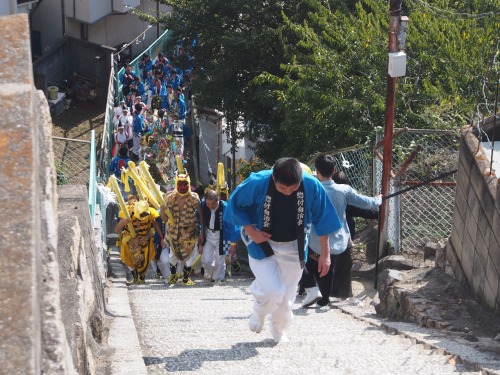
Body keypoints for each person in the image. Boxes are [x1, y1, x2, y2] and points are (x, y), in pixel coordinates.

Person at [224, 157, 342, 342]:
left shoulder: (311, 185)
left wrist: (325, 255)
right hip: (261, 244)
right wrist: (250, 230)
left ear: (300, 179)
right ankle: (259, 310)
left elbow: (323, 218)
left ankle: (278, 327)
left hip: (294, 246)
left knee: (287, 294)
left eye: (293, 188)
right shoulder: (258, 182)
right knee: (272, 290)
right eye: (282, 188)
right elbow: (234, 204)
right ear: (273, 178)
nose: (288, 192)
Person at [306, 154, 382, 306]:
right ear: (334, 170)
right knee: (330, 266)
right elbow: (365, 203)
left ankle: (317, 292)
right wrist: (378, 199)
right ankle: (325, 297)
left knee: (313, 264)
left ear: (316, 171)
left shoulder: (312, 189)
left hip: (315, 239)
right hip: (339, 239)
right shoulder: (344, 190)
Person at [160, 173, 204, 286]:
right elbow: (165, 220)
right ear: (176, 184)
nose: (183, 187)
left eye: (185, 184)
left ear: (189, 184)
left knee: (190, 256)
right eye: (180, 184)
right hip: (174, 231)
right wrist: (162, 209)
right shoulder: (169, 197)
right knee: (172, 256)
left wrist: (202, 233)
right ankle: (173, 275)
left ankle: (185, 278)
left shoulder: (194, 198)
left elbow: (201, 217)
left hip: (190, 231)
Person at [114, 200, 165, 284]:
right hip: (130, 241)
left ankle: (142, 278)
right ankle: (134, 277)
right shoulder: (127, 213)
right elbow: (116, 230)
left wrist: (161, 237)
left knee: (144, 260)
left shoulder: (150, 214)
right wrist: (123, 222)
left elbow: (155, 224)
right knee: (130, 260)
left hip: (145, 240)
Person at [199, 189, 240, 282]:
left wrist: (233, 243)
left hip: (223, 237)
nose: (210, 207)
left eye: (213, 204)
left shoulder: (226, 208)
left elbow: (233, 227)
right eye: (208, 204)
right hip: (208, 235)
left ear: (218, 200)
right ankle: (213, 274)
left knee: (219, 261)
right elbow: (199, 220)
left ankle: (216, 279)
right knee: (205, 260)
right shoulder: (202, 205)